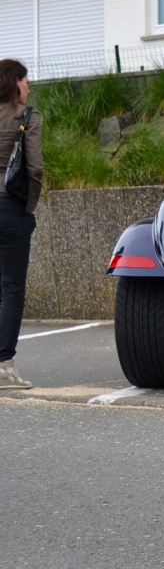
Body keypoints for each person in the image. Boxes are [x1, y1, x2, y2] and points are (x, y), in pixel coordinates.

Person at [0, 59, 41, 390]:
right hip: (10, 207)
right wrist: (29, 208)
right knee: (12, 288)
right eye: (26, 82)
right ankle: (4, 367)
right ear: (15, 82)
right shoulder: (27, 117)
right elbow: (35, 168)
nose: (29, 87)